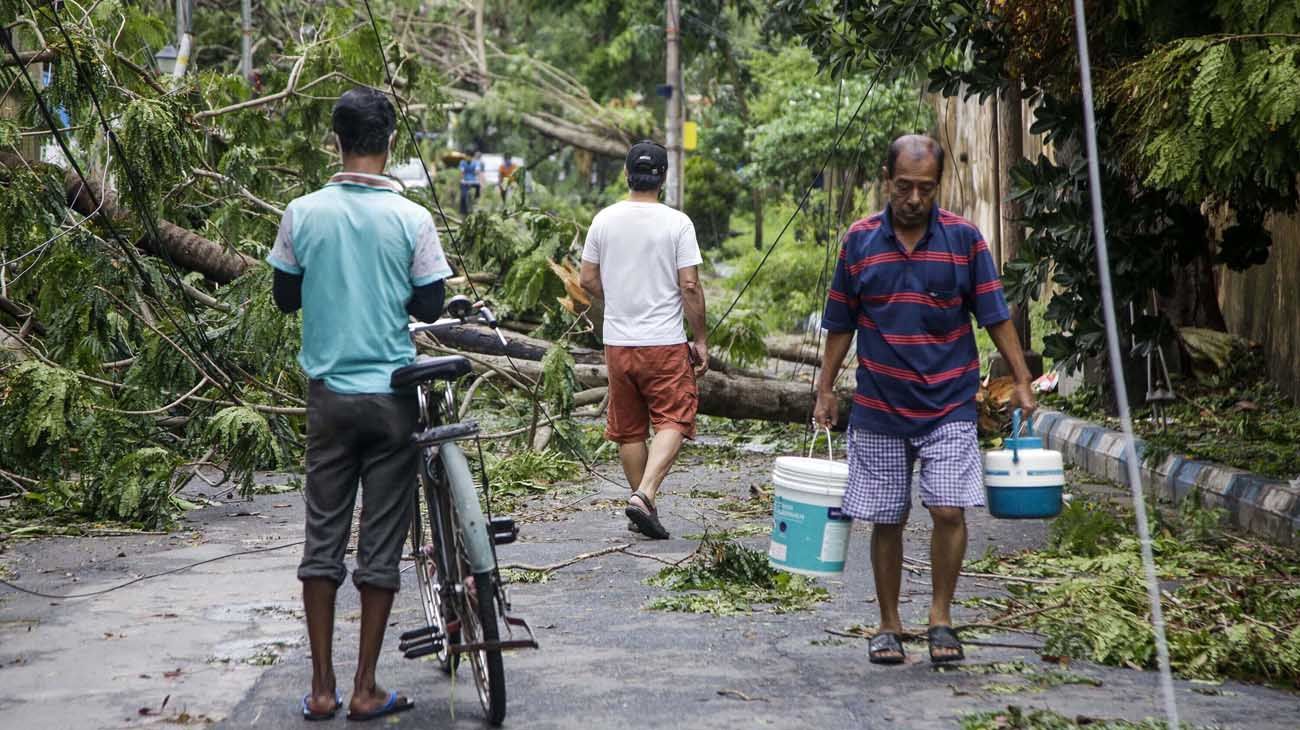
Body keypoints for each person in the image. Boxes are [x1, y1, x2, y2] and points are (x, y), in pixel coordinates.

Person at [267, 86, 453, 721]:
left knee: (323, 538)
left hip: (329, 400)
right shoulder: (412, 219)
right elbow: (430, 304)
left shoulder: (302, 212)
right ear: (390, 144)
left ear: (335, 142)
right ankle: (367, 686)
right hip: (392, 397)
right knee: (380, 544)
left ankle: (322, 690)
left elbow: (285, 297)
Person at [813, 134, 1035, 666]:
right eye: (905, 186)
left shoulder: (964, 240)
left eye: (925, 188)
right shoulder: (859, 242)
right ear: (887, 181)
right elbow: (840, 324)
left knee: (948, 509)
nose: (914, 198)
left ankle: (940, 618)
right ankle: (888, 624)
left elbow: (995, 316)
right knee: (886, 517)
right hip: (880, 406)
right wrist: (824, 388)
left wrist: (1023, 379)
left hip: (949, 402)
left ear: (938, 186)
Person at [579, 140, 708, 540]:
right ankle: (646, 494)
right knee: (676, 415)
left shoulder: (603, 220)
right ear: (664, 178)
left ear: (626, 175)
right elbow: (689, 285)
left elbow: (585, 278)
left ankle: (644, 504)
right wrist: (700, 338)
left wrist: (616, 296)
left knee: (629, 429)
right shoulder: (677, 223)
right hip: (663, 343)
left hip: (617, 343)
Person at [458, 150, 484, 215]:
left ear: (471, 157)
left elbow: (477, 172)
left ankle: (476, 203)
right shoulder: (462, 162)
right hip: (465, 182)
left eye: (469, 156)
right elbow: (462, 172)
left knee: (478, 188)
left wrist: (478, 173)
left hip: (473, 181)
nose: (467, 158)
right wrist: (462, 179)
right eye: (466, 156)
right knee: (463, 195)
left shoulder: (476, 163)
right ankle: (463, 211)